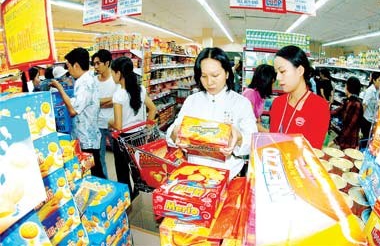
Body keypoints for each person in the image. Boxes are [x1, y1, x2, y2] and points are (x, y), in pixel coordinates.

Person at [166, 47, 257, 180]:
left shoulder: (241, 103)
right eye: (204, 76)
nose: (209, 82)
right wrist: (176, 134)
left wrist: (238, 138)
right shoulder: (192, 101)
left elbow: (252, 141)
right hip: (194, 174)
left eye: (215, 75)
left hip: (229, 175)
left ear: (226, 73)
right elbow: (171, 133)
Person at [50, 47, 105, 179]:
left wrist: (60, 88)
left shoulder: (84, 82)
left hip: (87, 138)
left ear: (76, 65)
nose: (68, 70)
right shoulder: (88, 78)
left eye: (68, 66)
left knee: (94, 173)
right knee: (94, 171)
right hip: (88, 135)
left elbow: (73, 110)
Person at [108, 56, 157, 198]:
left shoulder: (118, 95)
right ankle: (137, 191)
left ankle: (126, 196)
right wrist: (147, 129)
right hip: (138, 136)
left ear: (119, 73)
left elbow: (118, 125)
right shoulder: (140, 89)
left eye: (113, 73)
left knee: (122, 170)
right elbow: (153, 109)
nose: (112, 76)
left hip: (122, 139)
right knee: (136, 166)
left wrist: (107, 122)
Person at [269, 45, 330, 149]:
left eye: (282, 71)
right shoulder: (278, 103)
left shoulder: (319, 107)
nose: (278, 77)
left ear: (300, 71)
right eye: (276, 72)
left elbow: (312, 150)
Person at [92, 49, 117, 179]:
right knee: (100, 157)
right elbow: (93, 102)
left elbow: (118, 100)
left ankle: (124, 185)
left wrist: (99, 102)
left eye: (98, 63)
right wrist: (111, 99)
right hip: (98, 124)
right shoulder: (94, 81)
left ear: (107, 63)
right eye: (94, 64)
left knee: (119, 157)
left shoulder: (115, 79)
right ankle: (106, 182)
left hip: (114, 124)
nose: (96, 67)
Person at [331, 76, 363, 150]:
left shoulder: (356, 104)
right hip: (345, 140)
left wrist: (338, 139)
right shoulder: (348, 101)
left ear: (349, 87)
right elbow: (337, 111)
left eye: (346, 85)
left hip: (350, 141)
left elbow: (350, 126)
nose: (345, 87)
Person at [242, 64, 276, 132]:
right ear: (266, 82)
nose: (273, 86)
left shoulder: (260, 94)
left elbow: (256, 118)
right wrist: (268, 132)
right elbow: (249, 122)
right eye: (272, 82)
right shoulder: (250, 94)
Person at [360, 71, 380, 148]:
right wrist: (360, 120)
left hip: (372, 120)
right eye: (379, 80)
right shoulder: (370, 91)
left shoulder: (378, 90)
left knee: (368, 139)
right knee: (365, 139)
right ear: (374, 80)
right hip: (366, 120)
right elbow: (364, 105)